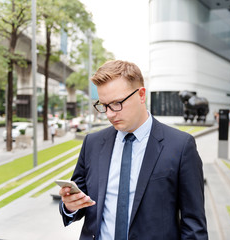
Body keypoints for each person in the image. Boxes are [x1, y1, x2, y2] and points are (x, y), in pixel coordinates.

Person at [58, 60, 208, 240]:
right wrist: (69, 206)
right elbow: (78, 201)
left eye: (116, 103)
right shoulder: (92, 143)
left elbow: (194, 225)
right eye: (104, 105)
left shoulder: (181, 146)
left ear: (141, 95)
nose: (110, 114)